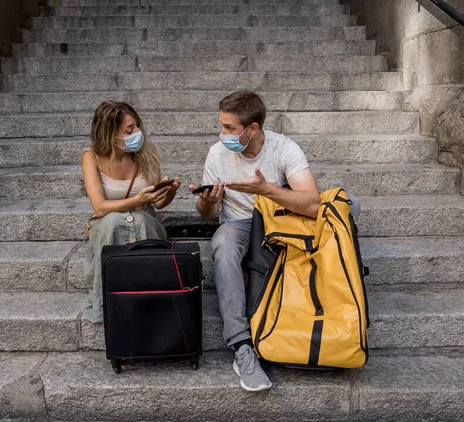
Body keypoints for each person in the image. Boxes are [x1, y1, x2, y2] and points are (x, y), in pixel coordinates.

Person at [190, 91, 322, 391]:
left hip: (279, 221)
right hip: (239, 225)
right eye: (221, 126)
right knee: (222, 242)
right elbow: (207, 216)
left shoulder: (283, 148)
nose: (222, 134)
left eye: (229, 128)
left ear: (253, 129)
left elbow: (313, 204)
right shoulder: (217, 153)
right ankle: (241, 346)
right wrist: (209, 202)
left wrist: (266, 189)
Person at [81, 100, 181, 323]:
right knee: (113, 222)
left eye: (137, 126)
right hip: (107, 223)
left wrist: (170, 191)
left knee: (143, 220)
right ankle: (106, 299)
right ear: (110, 133)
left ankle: (151, 295)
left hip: (145, 218)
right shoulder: (92, 157)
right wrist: (135, 200)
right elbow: (99, 207)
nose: (137, 132)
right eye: (129, 130)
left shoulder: (146, 153)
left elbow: (158, 204)